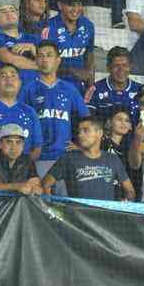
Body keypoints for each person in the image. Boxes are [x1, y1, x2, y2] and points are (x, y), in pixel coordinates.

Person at [21, 41, 89, 186]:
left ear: (58, 60)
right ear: (36, 61)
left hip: (64, 157)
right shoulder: (28, 89)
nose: (45, 60)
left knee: (64, 204)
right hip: (38, 158)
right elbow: (21, 121)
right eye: (40, 56)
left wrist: (82, 146)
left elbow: (87, 120)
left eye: (49, 55)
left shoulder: (70, 89)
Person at [42, 115, 135, 201]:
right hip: (78, 217)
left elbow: (130, 190)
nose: (80, 135)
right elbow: (45, 184)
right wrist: (50, 208)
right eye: (79, 131)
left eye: (86, 130)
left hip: (106, 216)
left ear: (99, 133)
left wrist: (126, 202)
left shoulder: (112, 159)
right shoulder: (68, 158)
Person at [41, 0, 95, 92]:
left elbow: (89, 54)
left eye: (79, 4)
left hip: (79, 88)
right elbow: (42, 64)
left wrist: (90, 78)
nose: (76, 9)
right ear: (60, 5)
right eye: (71, 4)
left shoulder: (88, 25)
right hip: (51, 86)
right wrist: (72, 71)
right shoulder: (48, 28)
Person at [0, 124, 42, 195]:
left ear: (23, 145)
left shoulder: (27, 160)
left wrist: (35, 189)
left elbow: (37, 185)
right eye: (9, 142)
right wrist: (16, 186)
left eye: (18, 142)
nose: (14, 147)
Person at [85, 48, 141, 122]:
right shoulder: (95, 89)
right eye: (116, 65)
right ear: (108, 68)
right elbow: (88, 119)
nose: (121, 69)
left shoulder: (139, 89)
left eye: (125, 65)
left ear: (130, 67)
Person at [0, 0, 38, 72]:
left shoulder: (34, 38)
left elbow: (52, 60)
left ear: (18, 15)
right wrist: (42, 67)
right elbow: (10, 59)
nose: (9, 14)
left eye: (12, 10)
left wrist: (34, 49)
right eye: (3, 12)